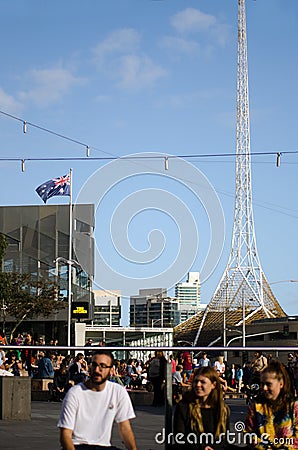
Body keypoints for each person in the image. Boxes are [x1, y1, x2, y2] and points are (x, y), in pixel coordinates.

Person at [58, 349, 137, 450]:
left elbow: (125, 429)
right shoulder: (75, 393)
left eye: (102, 366)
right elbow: (65, 434)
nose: (96, 370)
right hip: (78, 446)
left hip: (103, 446)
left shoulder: (118, 392)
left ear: (111, 370)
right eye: (94, 365)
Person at [244, 359, 298, 450]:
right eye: (262, 384)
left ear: (281, 384)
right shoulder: (256, 406)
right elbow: (248, 433)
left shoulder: (294, 406)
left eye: (268, 384)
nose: (264, 388)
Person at [173, 366, 230, 449]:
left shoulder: (222, 409)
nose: (198, 385)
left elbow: (224, 440)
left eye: (203, 382)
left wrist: (213, 447)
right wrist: (202, 447)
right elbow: (179, 437)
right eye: (196, 381)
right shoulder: (184, 407)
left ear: (213, 385)